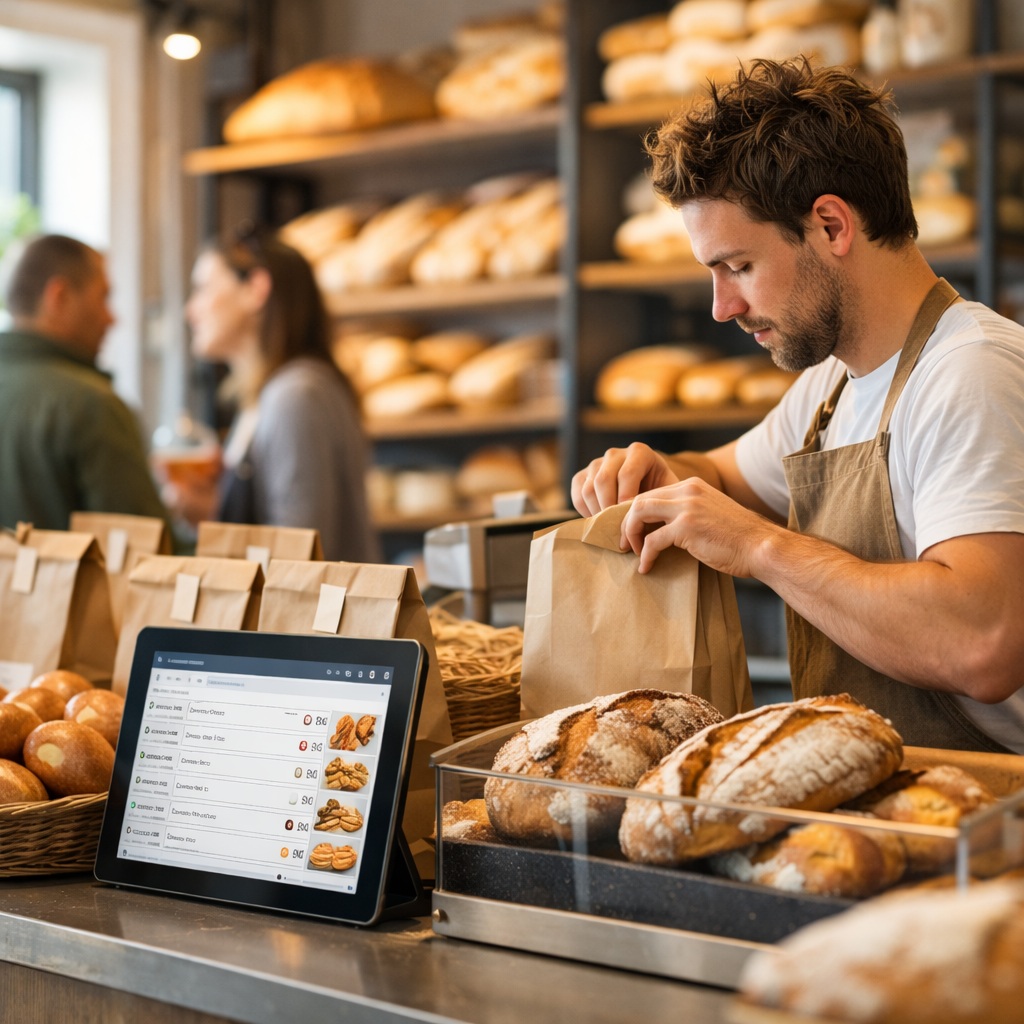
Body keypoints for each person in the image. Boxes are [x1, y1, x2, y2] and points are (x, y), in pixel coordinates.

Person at [571, 58, 1024, 754]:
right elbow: (717, 479)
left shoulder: (970, 373)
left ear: (831, 226)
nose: (724, 308)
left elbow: (982, 643)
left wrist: (759, 546)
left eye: (739, 267)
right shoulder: (833, 385)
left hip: (993, 833)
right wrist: (656, 473)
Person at [165, 226, 381, 564]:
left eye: (203, 289)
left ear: (256, 289)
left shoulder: (295, 396)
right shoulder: (268, 395)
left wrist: (210, 518)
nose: (190, 311)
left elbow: (299, 557)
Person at [0, 233, 171, 531]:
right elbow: (145, 551)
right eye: (103, 297)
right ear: (59, 296)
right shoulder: (91, 405)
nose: (112, 319)